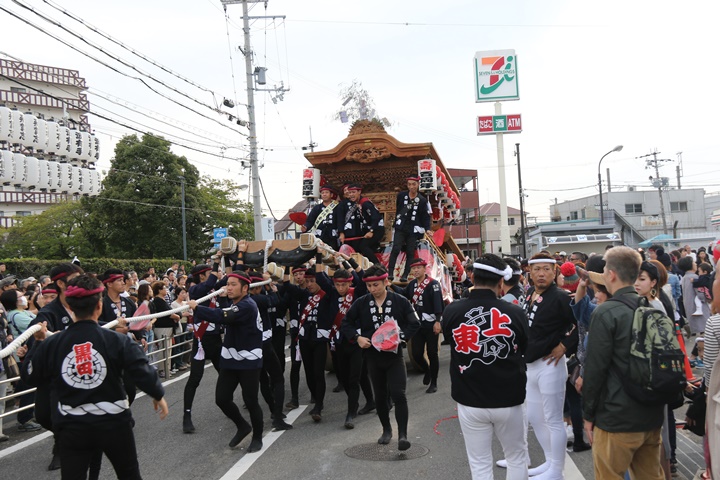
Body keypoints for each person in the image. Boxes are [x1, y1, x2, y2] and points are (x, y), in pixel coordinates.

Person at [21, 274, 168, 479]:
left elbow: (30, 375)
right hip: (114, 422)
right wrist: (157, 394)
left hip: (72, 426)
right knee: (129, 474)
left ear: (70, 307)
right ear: (99, 306)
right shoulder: (117, 340)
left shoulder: (52, 344)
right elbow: (142, 370)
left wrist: (37, 343)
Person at [443, 254, 529, 479]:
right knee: (516, 457)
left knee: (479, 462)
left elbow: (451, 341)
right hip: (509, 398)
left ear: (472, 277)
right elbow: (525, 347)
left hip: (469, 398)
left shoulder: (452, 311)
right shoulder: (515, 312)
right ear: (501, 282)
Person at [582, 246, 665, 479]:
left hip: (616, 416)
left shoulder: (606, 312)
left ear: (611, 274)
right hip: (651, 413)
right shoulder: (650, 307)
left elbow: (595, 369)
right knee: (651, 476)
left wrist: (588, 414)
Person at [342, 265, 420, 451]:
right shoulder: (361, 303)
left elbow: (414, 323)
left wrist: (401, 337)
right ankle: (386, 430)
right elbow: (346, 323)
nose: (372, 289)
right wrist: (357, 338)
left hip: (394, 356)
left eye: (376, 285)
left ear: (386, 282)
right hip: (372, 356)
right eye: (369, 286)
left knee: (398, 394)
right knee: (380, 396)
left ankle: (403, 435)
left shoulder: (400, 301)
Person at [188, 271, 265, 453]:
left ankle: (257, 437)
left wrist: (197, 308)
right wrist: (222, 300)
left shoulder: (248, 305)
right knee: (222, 398)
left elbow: (224, 316)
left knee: (251, 400)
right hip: (231, 358)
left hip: (248, 360)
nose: (228, 288)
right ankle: (242, 426)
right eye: (227, 284)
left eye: (233, 285)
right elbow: (226, 313)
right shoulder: (234, 303)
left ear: (245, 288)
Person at [522, 252, 577, 479]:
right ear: (530, 272)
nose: (541, 274)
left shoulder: (561, 297)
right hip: (530, 365)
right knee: (535, 417)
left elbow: (582, 323)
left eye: (546, 269)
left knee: (554, 420)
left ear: (554, 272)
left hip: (550, 364)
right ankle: (549, 461)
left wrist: (565, 346)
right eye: (537, 269)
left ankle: (557, 470)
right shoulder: (529, 293)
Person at [183, 263, 223, 433]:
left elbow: (228, 280)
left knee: (227, 374)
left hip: (216, 339)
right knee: (195, 378)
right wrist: (216, 262)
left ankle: (227, 404)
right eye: (211, 272)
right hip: (201, 340)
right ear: (202, 275)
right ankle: (186, 415)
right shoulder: (195, 290)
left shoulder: (215, 288)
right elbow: (208, 284)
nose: (216, 274)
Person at [394, 258, 444, 393]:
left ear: (424, 268)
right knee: (416, 354)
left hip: (431, 324)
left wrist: (438, 321)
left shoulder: (433, 284)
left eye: (418, 268)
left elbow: (438, 304)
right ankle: (427, 370)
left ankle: (434, 382)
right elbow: (404, 293)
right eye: (413, 268)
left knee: (432, 353)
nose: (416, 270)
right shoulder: (412, 284)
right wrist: (390, 285)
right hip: (417, 325)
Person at [386, 176, 432, 282]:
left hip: (413, 229)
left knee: (410, 251)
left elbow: (425, 216)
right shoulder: (401, 196)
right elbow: (398, 208)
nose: (411, 187)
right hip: (401, 226)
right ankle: (390, 272)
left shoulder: (422, 200)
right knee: (396, 248)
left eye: (414, 184)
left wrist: (427, 229)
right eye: (409, 184)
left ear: (418, 185)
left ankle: (405, 275)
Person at [338, 183, 385, 264]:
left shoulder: (365, 203)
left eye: (353, 192)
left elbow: (376, 217)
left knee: (363, 246)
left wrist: (371, 231)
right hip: (369, 230)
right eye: (350, 192)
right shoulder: (358, 203)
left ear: (359, 192)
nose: (351, 195)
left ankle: (377, 265)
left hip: (376, 229)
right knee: (367, 248)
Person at [303, 184, 341, 251]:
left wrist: (341, 233)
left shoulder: (337, 207)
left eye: (326, 192)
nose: (324, 194)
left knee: (333, 253)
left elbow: (340, 221)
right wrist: (305, 227)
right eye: (322, 193)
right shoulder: (317, 208)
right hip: (320, 236)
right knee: (319, 254)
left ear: (331, 195)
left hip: (332, 236)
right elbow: (310, 221)